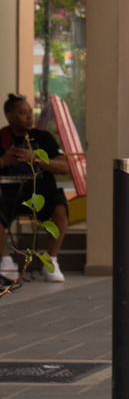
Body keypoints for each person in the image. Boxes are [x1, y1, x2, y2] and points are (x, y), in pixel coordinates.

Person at [0, 94, 71, 284]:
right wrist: (3, 161)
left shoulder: (43, 137)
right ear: (10, 116)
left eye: (30, 112)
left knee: (60, 206)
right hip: (9, 194)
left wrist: (37, 160)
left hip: (42, 193)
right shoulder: (2, 137)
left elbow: (65, 167)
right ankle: (6, 261)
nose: (29, 116)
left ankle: (51, 261)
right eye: (23, 113)